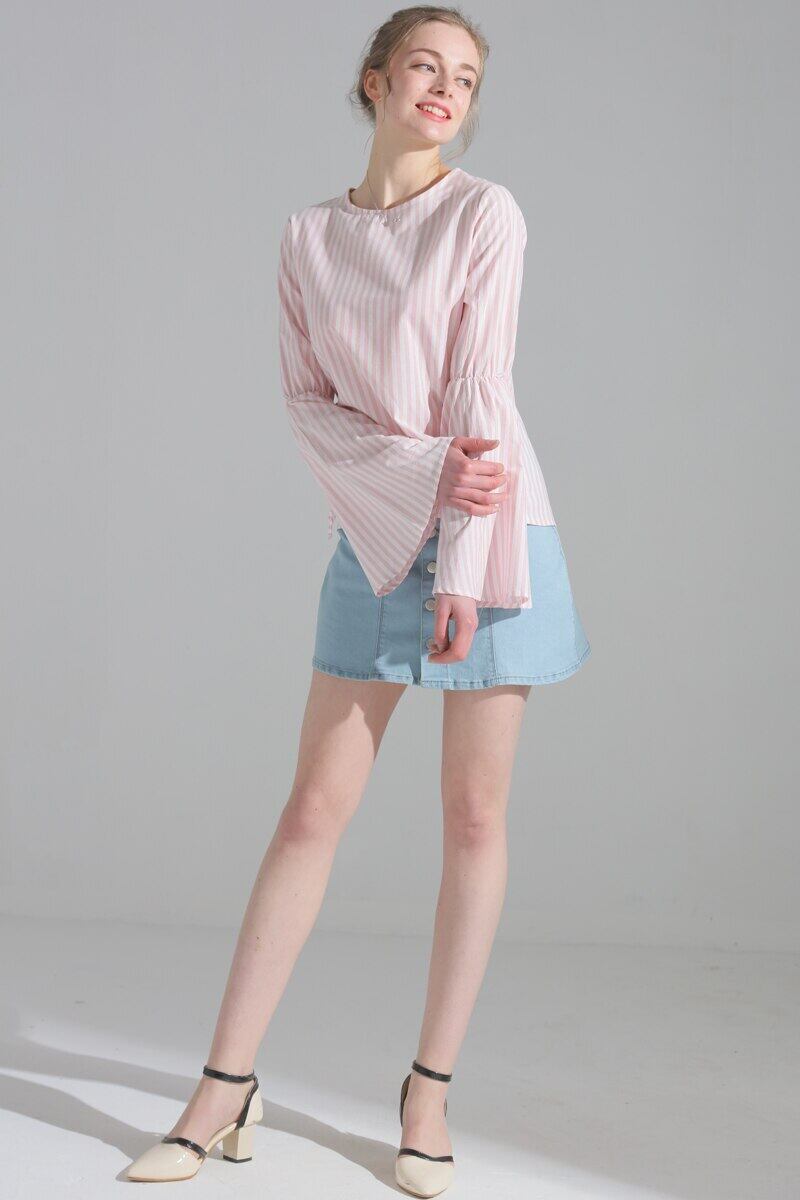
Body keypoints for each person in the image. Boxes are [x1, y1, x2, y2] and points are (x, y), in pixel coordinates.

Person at [125, 8, 590, 1195]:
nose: (444, 88)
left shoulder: (484, 214)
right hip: (377, 535)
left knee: (472, 819)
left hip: (493, 537)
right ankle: (223, 1088)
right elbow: (307, 405)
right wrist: (415, 482)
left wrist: (464, 563)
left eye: (465, 78)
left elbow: (480, 389)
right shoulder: (308, 237)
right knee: (309, 814)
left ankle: (425, 1095)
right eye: (424, 66)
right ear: (374, 81)